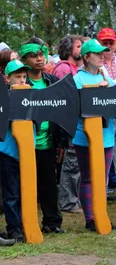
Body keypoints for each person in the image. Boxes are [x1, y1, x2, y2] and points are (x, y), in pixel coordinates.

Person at [20, 38, 67, 234]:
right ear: (25, 59)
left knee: (49, 184)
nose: (39, 59)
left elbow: (61, 112)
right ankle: (26, 223)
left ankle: (52, 222)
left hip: (48, 142)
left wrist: (61, 143)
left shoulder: (52, 81)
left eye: (41, 55)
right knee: (27, 185)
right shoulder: (21, 82)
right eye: (34, 56)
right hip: (26, 144)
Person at [72, 39, 115, 231]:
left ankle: (102, 215)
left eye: (103, 53)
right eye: (97, 53)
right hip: (85, 138)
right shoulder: (77, 80)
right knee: (88, 177)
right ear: (86, 57)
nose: (101, 56)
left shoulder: (106, 76)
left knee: (103, 178)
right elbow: (75, 108)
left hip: (107, 136)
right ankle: (90, 218)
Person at [0, 60, 32, 242]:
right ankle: (14, 228)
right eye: (17, 77)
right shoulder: (2, 98)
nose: (22, 80)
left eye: (24, 76)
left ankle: (28, 223)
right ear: (7, 78)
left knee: (27, 189)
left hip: (27, 152)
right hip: (8, 152)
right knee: (11, 193)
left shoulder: (31, 96)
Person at [52, 35, 83, 214]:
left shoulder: (74, 68)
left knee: (75, 163)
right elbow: (63, 98)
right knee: (71, 164)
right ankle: (68, 202)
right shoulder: (63, 68)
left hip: (74, 122)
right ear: (69, 49)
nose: (80, 49)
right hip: (68, 122)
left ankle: (74, 200)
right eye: (78, 46)